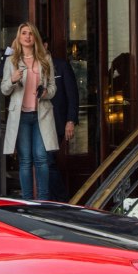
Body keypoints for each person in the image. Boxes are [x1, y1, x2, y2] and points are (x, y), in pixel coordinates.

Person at [0, 22, 57, 200]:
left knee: (41, 158)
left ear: (35, 38)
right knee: (25, 160)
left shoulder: (45, 59)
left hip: (42, 114)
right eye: (24, 33)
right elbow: (4, 89)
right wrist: (12, 79)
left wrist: (46, 93)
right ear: (19, 37)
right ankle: (26, 201)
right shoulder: (12, 61)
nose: (27, 37)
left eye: (31, 34)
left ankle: (43, 201)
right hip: (21, 116)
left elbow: (53, 87)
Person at [47, 53, 79, 201]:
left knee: (48, 160)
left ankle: (61, 200)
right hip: (36, 121)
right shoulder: (30, 64)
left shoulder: (61, 65)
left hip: (57, 122)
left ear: (45, 45)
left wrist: (70, 120)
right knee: (43, 161)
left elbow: (72, 95)